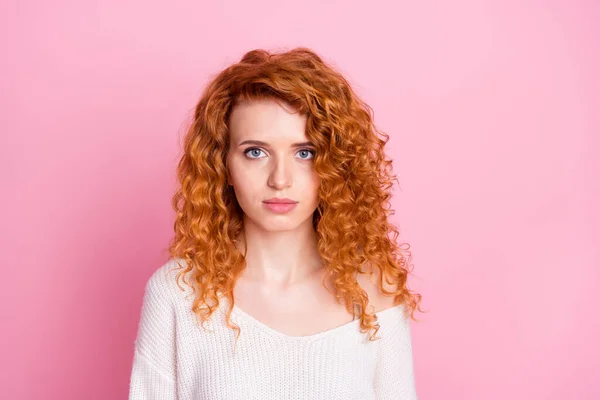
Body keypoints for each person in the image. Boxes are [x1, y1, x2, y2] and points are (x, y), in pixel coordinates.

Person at [128, 47, 423, 400]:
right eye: (256, 152)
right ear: (223, 165)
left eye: (305, 153)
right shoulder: (177, 294)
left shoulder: (376, 292)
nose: (280, 179)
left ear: (335, 164)